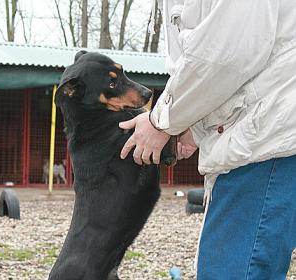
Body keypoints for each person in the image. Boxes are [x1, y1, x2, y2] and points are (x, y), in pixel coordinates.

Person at [119, 0, 296, 279]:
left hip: (264, 145)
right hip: (258, 137)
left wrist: (162, 121)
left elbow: (226, 55)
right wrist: (192, 127)